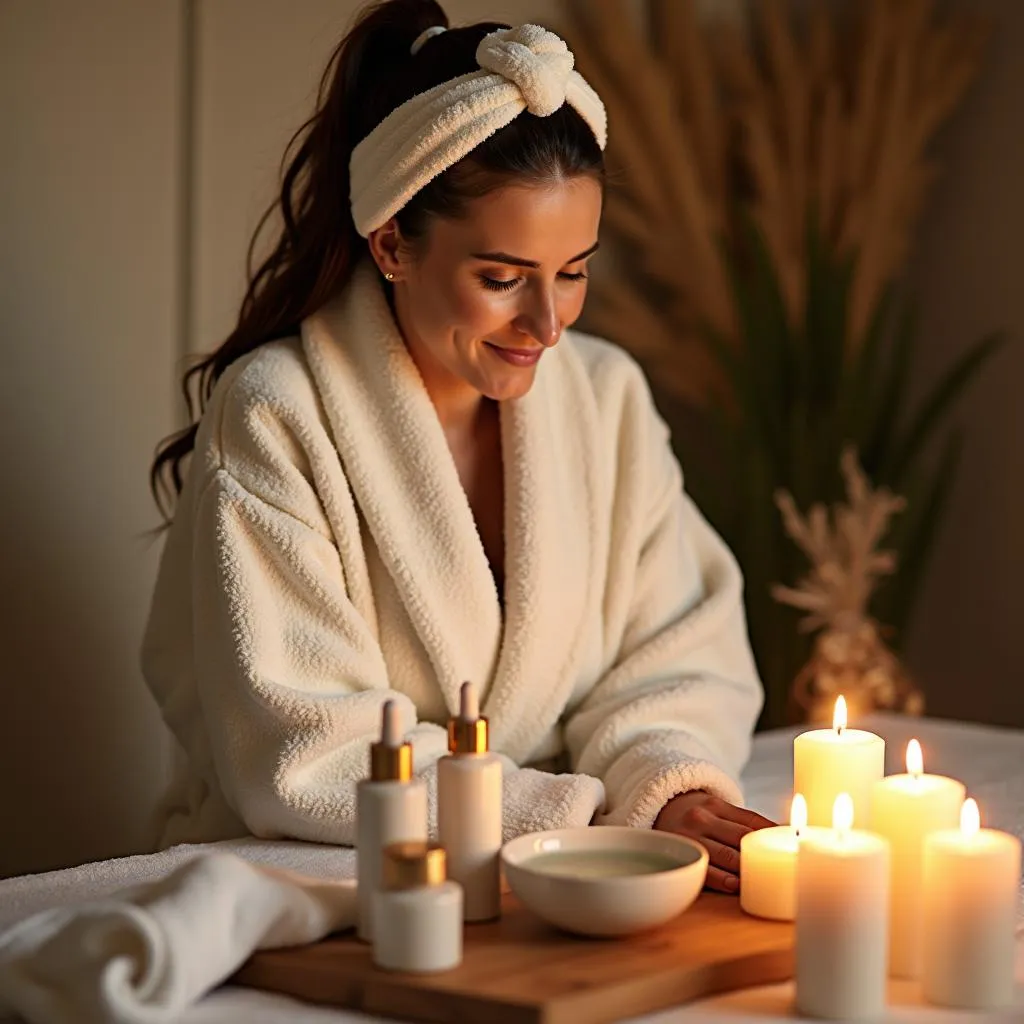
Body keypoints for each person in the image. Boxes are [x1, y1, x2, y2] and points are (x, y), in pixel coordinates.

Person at [143, 0, 773, 895]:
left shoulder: (605, 399)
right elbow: (302, 742)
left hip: (565, 882)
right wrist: (578, 820)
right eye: (502, 278)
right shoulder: (279, 413)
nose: (547, 325)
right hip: (320, 884)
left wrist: (661, 788)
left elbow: (679, 651)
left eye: (575, 272)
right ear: (393, 241)